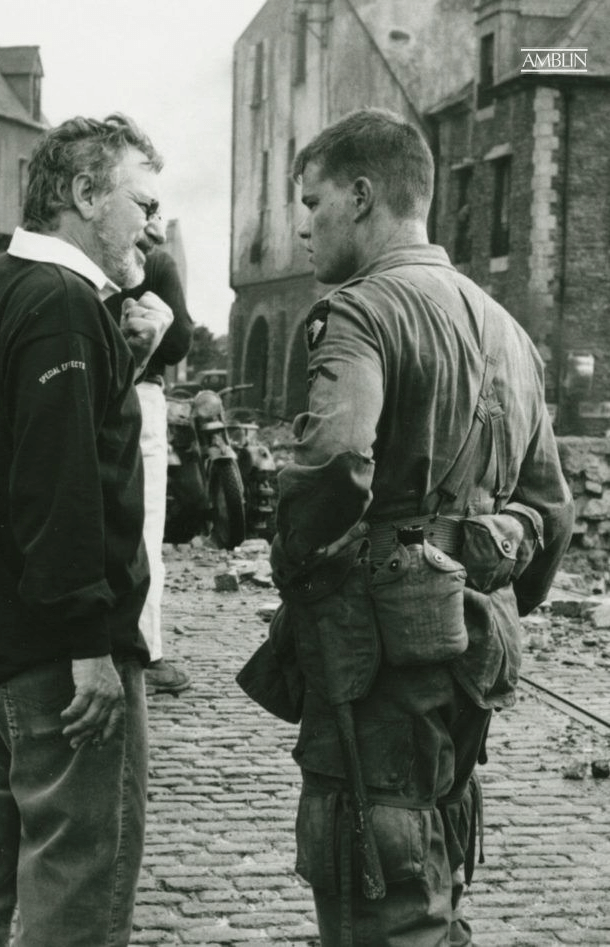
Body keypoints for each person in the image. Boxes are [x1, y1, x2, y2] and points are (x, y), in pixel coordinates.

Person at [244, 108, 574, 945]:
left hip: (378, 658)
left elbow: (335, 460)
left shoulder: (359, 311)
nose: (304, 226)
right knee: (435, 850)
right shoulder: (510, 330)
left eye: (312, 202)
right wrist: (491, 588)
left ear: (361, 197)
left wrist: (298, 567)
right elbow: (553, 507)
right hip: (474, 647)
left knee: (374, 867)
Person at [0, 114, 172, 947]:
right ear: (82, 193)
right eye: (142, 201)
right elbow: (60, 484)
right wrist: (93, 641)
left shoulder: (0, 284)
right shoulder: (65, 306)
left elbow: (39, 445)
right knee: (77, 890)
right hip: (53, 665)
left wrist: (123, 354)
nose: (155, 223)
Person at [107, 238, 194, 694]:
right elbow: (177, 344)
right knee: (144, 530)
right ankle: (147, 655)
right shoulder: (157, 262)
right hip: (140, 396)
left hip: (83, 393)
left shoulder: (84, 263)